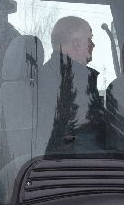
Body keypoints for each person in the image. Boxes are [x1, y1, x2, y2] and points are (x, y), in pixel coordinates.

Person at [42, 15, 105, 153]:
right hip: (78, 162)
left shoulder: (46, 75)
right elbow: (86, 137)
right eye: (89, 39)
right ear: (77, 43)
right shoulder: (74, 79)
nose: (93, 45)